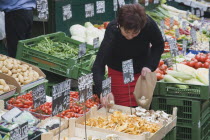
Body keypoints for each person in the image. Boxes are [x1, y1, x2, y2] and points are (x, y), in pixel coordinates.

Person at [92, 4, 164, 107]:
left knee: (142, 108)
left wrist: (150, 65)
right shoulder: (113, 29)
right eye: (126, 32)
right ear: (119, 25)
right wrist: (103, 90)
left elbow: (158, 44)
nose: (129, 36)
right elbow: (99, 64)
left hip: (141, 74)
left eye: (135, 33)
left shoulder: (148, 24)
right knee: (120, 110)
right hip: (118, 73)